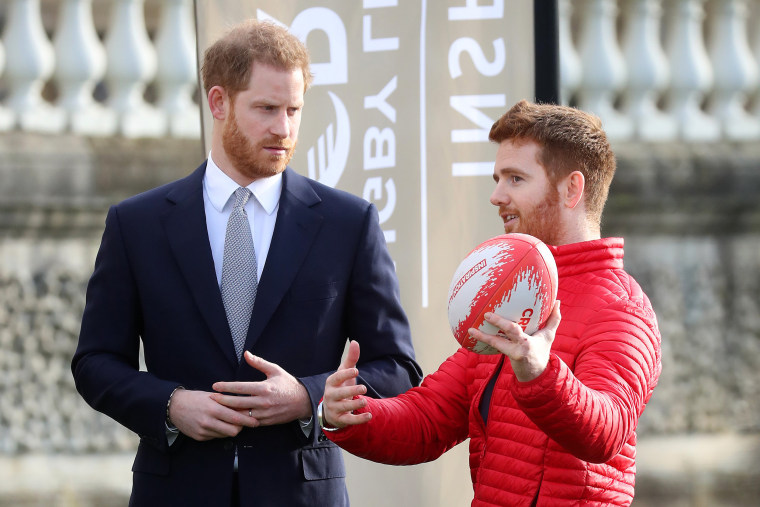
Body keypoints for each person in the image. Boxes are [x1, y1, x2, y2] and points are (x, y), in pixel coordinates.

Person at [71, 19, 421, 506]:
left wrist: (307, 397)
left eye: (294, 110)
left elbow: (399, 367)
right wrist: (170, 405)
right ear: (218, 102)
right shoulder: (137, 224)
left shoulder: (348, 223)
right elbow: (95, 363)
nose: (284, 128)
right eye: (266, 109)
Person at [321, 100, 662, 506]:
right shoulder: (509, 293)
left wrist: (539, 372)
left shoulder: (622, 308)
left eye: (515, 179)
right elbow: (430, 418)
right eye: (497, 178)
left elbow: (606, 432)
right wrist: (349, 415)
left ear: (572, 189)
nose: (496, 195)